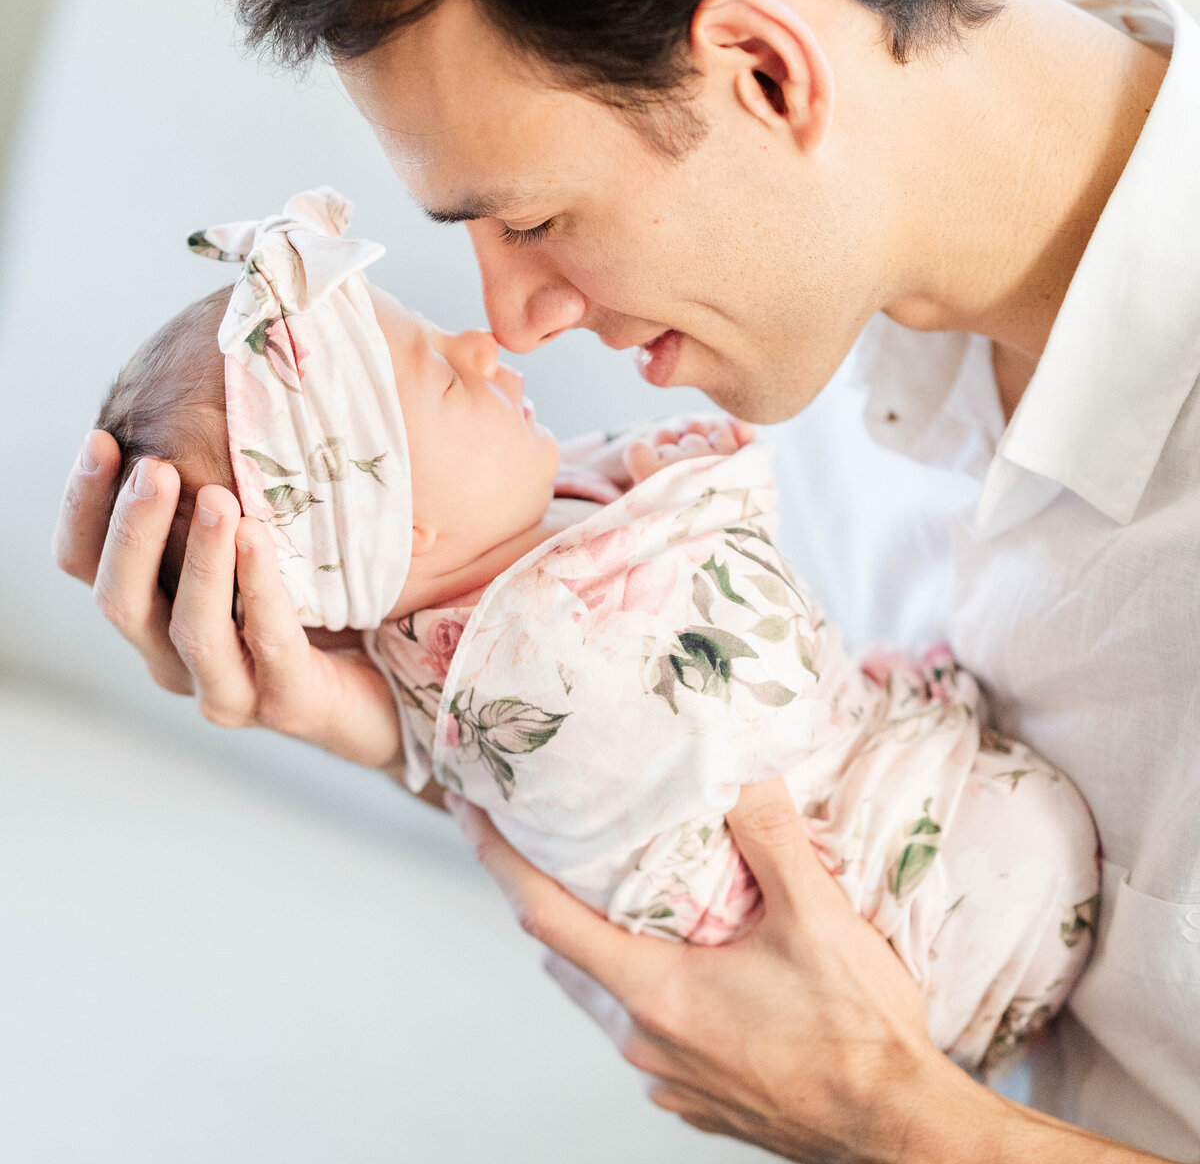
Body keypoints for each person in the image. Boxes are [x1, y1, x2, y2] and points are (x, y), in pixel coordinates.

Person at [22, 0, 1200, 1164]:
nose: (510, 319)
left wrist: (930, 1149)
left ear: (770, 73)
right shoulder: (812, 326)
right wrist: (406, 723)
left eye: (535, 216)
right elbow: (709, 793)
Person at [98, 185, 1096, 1061]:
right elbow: (732, 668)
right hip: (916, 915)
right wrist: (701, 491)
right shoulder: (531, 649)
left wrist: (657, 480)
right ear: (401, 528)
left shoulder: (499, 558)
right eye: (444, 373)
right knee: (1011, 835)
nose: (483, 340)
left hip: (896, 850)